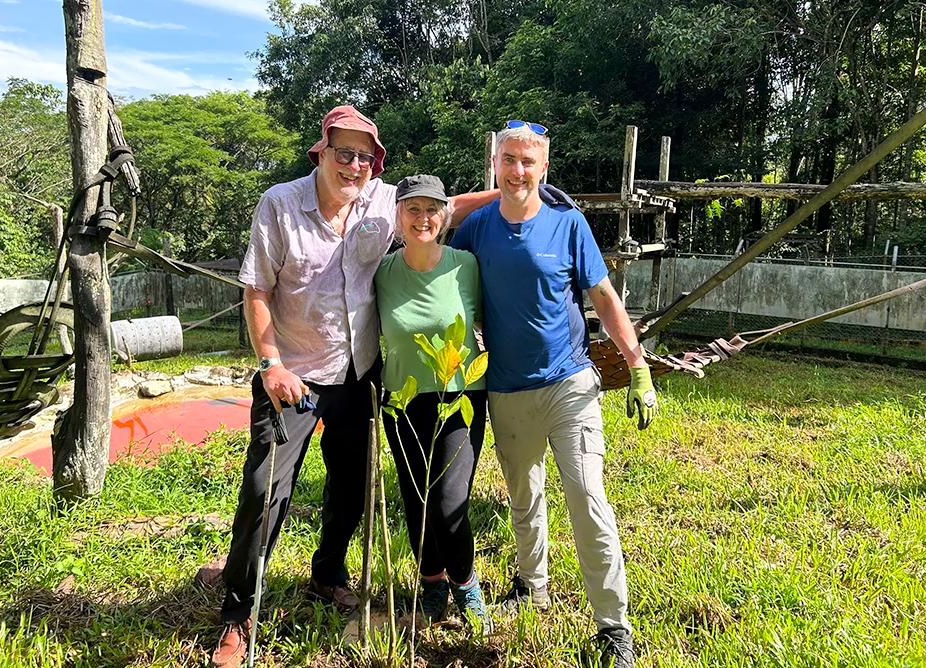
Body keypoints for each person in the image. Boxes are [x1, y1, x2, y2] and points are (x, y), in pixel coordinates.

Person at [210, 106, 496, 668]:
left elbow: (442, 208)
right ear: (321, 151)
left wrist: (521, 191)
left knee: (350, 487)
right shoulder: (280, 205)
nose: (355, 165)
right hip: (292, 375)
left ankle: (328, 574)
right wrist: (271, 363)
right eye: (344, 153)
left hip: (358, 374)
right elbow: (257, 290)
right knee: (267, 488)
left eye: (366, 157)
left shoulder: (382, 202)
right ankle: (238, 614)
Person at [450, 120, 659, 668]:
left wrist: (636, 364)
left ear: (545, 168)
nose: (519, 170)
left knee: (588, 500)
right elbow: (426, 221)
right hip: (507, 390)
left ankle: (614, 627)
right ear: (495, 165)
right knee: (524, 496)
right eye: (509, 159)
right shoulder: (476, 229)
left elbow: (604, 296)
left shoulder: (569, 224)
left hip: (570, 383)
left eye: (529, 162)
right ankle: (531, 584)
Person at [374, 175, 487, 626]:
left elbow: (495, 322)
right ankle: (432, 582)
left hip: (460, 397)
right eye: (412, 209)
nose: (423, 218)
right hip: (401, 402)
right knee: (415, 499)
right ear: (398, 217)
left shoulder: (466, 266)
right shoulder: (381, 273)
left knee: (447, 500)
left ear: (446, 217)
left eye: (432, 210)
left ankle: (466, 583)